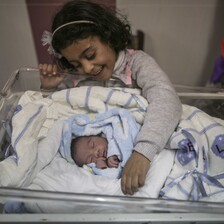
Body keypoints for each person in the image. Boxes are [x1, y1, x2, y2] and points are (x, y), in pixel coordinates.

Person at [39, 0, 182, 195]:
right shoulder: (76, 79)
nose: (87, 69)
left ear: (108, 35)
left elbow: (167, 100)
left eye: (90, 55)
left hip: (143, 146)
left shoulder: (137, 64)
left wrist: (143, 151)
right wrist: (48, 90)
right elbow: (61, 113)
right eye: (76, 64)